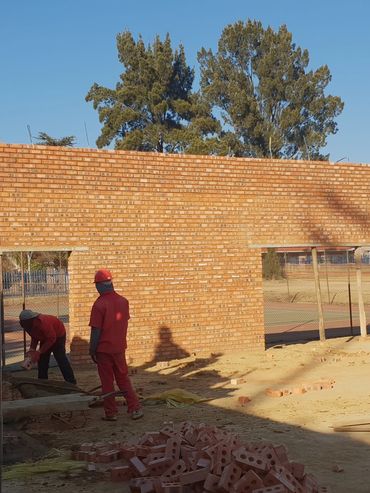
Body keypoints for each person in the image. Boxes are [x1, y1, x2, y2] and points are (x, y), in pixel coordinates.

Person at [89, 268, 143, 422]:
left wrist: (92, 350)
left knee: (107, 382)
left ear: (99, 285)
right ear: (111, 283)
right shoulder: (123, 301)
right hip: (119, 348)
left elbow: (96, 331)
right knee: (123, 379)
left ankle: (111, 413)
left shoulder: (99, 305)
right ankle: (135, 408)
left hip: (103, 350)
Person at [19, 310, 76, 384]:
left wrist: (39, 352)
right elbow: (34, 337)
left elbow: (52, 338)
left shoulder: (43, 323)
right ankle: (43, 382)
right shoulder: (28, 326)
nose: (24, 325)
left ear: (32, 320)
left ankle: (71, 382)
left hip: (58, 335)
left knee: (60, 357)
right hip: (46, 337)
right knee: (42, 360)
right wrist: (32, 350)